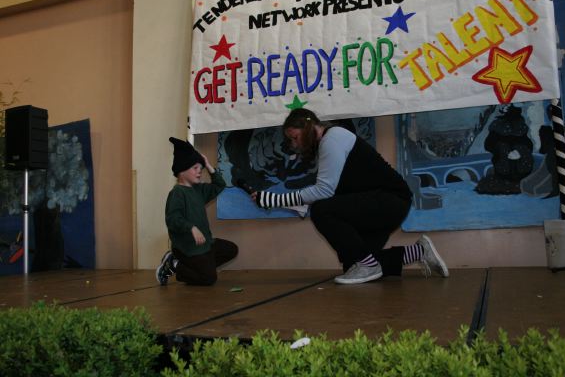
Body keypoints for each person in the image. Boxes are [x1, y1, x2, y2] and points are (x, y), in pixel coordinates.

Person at [252, 108, 449, 284]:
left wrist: (274, 200)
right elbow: (324, 193)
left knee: (321, 211)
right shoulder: (327, 143)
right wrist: (272, 200)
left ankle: (369, 265)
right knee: (354, 264)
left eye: (295, 137)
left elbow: (323, 191)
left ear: (307, 127)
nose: (294, 144)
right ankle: (419, 251)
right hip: (382, 202)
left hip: (391, 200)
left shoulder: (332, 139)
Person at [156, 137, 238, 286]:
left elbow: (219, 185)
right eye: (195, 168)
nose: (200, 171)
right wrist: (191, 227)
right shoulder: (177, 193)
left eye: (201, 168)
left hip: (204, 244)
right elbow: (173, 219)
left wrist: (208, 166)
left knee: (231, 249)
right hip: (187, 248)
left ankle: (202, 268)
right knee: (209, 279)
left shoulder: (199, 190)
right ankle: (175, 264)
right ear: (182, 171)